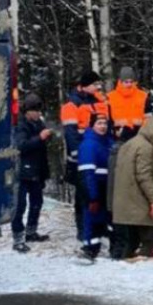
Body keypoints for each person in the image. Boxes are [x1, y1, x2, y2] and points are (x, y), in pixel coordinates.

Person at [111, 115, 153, 258]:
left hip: (125, 201)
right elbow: (144, 176)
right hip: (139, 202)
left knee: (131, 242)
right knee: (148, 242)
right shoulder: (146, 148)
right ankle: (142, 272)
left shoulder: (129, 144)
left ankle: (124, 264)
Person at [60, 70, 108, 240]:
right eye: (95, 84)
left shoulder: (100, 102)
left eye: (99, 84)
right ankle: (83, 230)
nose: (98, 87)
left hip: (98, 153)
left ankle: (98, 227)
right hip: (80, 156)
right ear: (85, 85)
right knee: (83, 195)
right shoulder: (71, 105)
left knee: (99, 193)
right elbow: (70, 132)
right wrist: (77, 153)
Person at [11, 93, 52, 252]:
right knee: (20, 206)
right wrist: (40, 138)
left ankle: (31, 231)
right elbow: (21, 146)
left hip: (36, 169)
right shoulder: (21, 126)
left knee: (37, 202)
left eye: (39, 111)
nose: (39, 114)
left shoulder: (39, 123)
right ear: (28, 111)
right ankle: (18, 238)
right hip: (23, 171)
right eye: (36, 110)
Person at [77, 113, 113, 262]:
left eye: (104, 123)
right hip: (93, 187)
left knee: (102, 219)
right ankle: (89, 249)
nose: (103, 126)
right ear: (92, 125)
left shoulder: (108, 141)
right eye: (99, 123)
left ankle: (102, 246)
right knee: (91, 218)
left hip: (106, 187)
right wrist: (92, 196)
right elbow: (87, 174)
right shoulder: (89, 145)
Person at [107, 66, 153, 142]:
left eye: (131, 82)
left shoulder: (143, 96)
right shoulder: (110, 97)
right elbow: (108, 120)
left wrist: (142, 125)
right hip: (118, 137)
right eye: (126, 82)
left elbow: (149, 118)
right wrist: (114, 130)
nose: (129, 84)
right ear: (120, 82)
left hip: (140, 136)